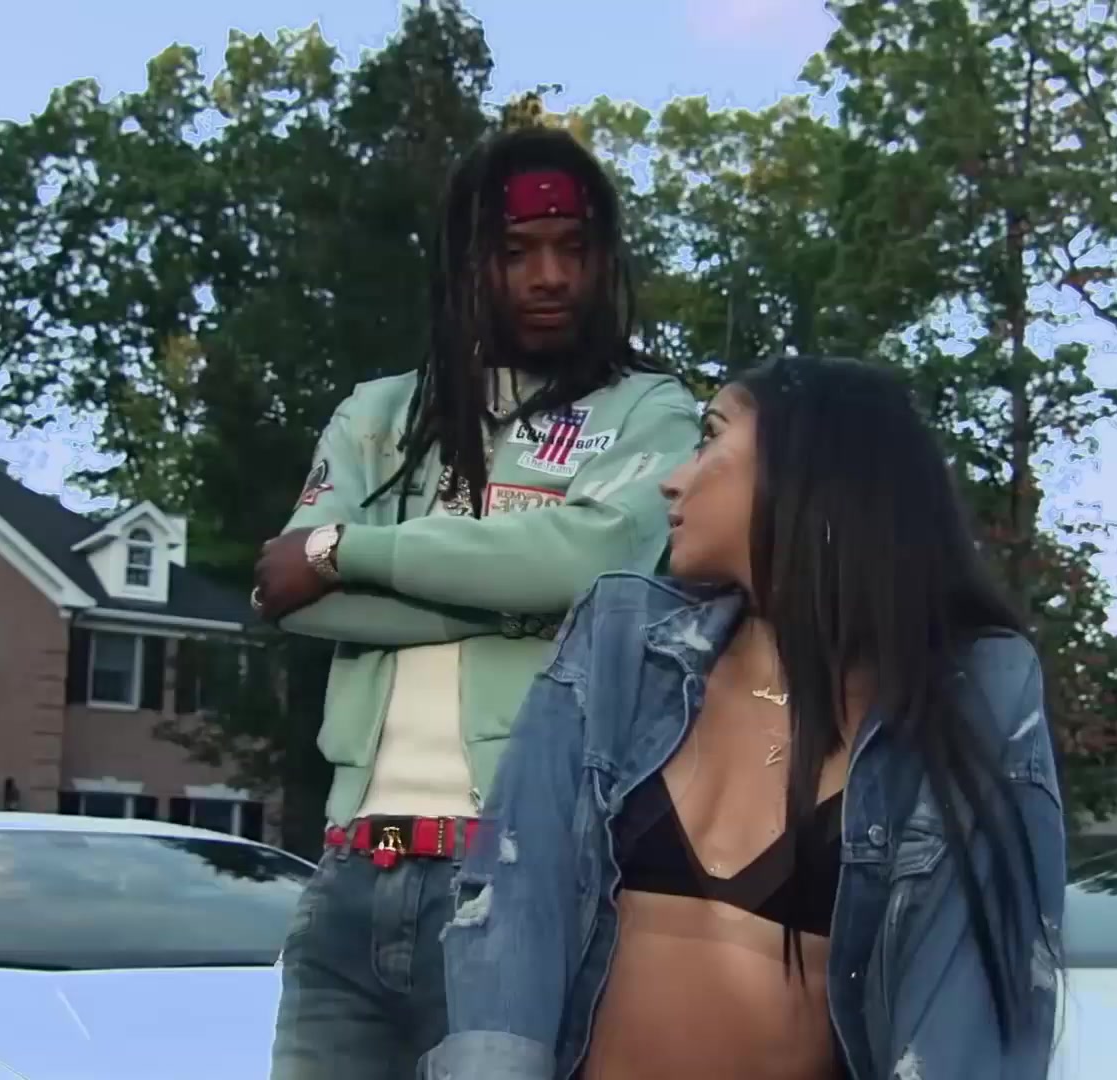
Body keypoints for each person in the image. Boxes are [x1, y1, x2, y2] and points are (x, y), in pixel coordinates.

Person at [421, 355, 1068, 1080]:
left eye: (710, 438)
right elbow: (515, 904)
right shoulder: (621, 643)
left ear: (813, 469)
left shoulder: (969, 692)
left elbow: (970, 1009)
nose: (673, 479)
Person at [253, 125, 700, 1080]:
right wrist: (524, 604)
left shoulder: (649, 409)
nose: (551, 275)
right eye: (517, 251)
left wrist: (350, 552)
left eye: (574, 248)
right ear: (467, 265)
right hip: (348, 873)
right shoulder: (378, 415)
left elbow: (597, 558)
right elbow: (292, 596)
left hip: (521, 875)